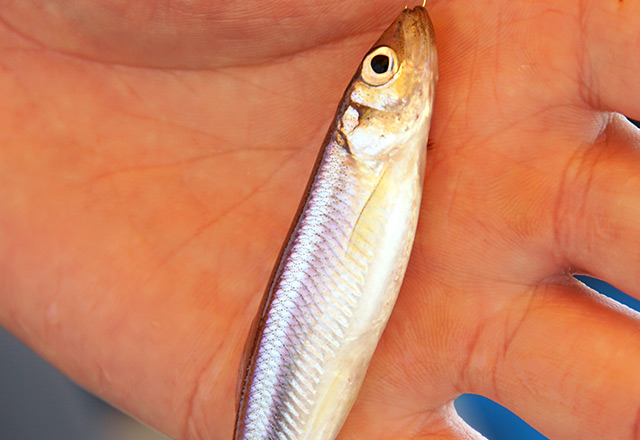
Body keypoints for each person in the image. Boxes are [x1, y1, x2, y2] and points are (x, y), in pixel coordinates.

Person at [0, 0, 638, 439]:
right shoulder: (366, 157)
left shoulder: (380, 152)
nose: (395, 64)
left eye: (377, 67)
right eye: (382, 71)